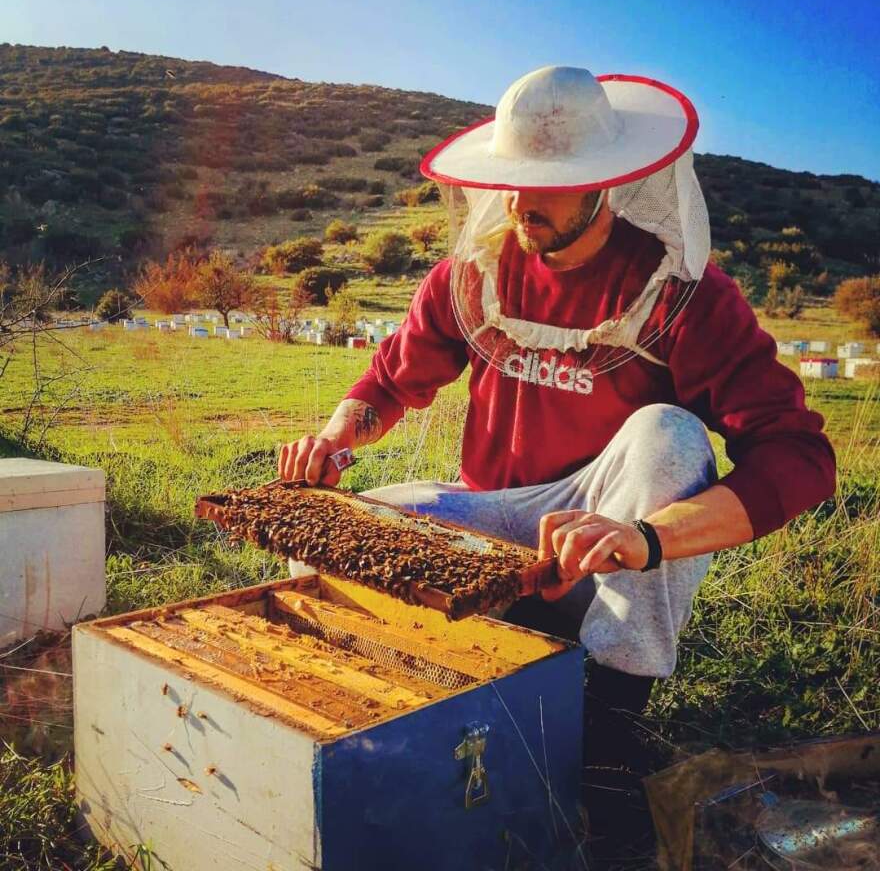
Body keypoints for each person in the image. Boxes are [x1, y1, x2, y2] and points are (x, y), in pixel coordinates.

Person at [277, 65, 836, 855]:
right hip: (490, 529)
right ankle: (456, 652)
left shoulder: (684, 296)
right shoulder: (470, 278)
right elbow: (388, 381)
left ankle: (610, 727)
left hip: (601, 548)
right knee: (345, 534)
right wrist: (336, 438)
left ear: (605, 184)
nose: (518, 204)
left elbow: (799, 455)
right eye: (512, 181)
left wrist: (645, 537)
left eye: (548, 185)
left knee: (669, 434)